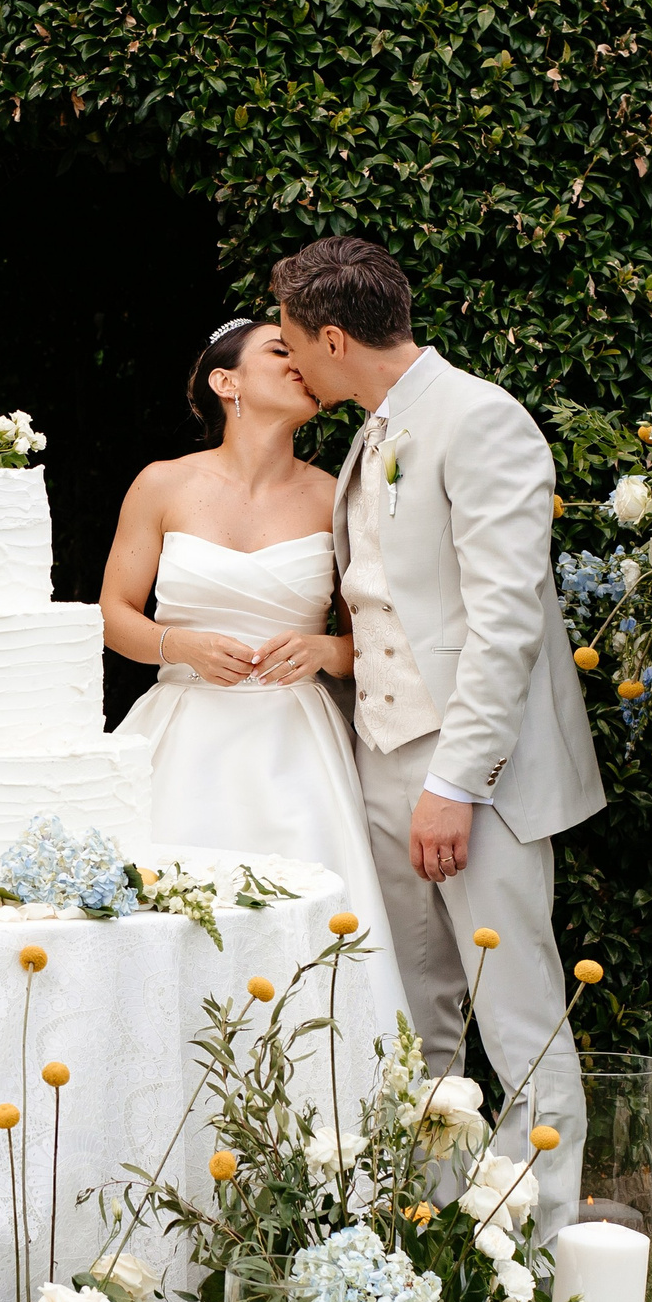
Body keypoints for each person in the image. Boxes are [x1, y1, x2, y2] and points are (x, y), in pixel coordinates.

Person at [269, 235, 604, 1180]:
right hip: (380, 751)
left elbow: (506, 625)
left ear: (333, 337)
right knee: (415, 1017)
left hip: (471, 769)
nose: (287, 358)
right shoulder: (371, 433)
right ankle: (436, 1241)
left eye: (292, 340)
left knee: (517, 1012)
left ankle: (536, 1253)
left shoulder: (480, 419)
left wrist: (454, 782)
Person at [100, 317, 407, 1036]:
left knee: (304, 929)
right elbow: (113, 615)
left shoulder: (337, 495)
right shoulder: (162, 483)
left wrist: (327, 653)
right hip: (181, 737)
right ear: (225, 381)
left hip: (294, 744)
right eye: (279, 350)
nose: (298, 360)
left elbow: (380, 635)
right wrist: (178, 643)